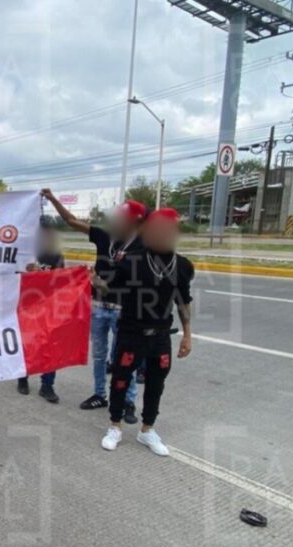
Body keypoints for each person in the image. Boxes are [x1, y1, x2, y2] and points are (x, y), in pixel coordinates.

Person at [100, 208, 194, 456]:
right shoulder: (131, 261)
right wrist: (95, 282)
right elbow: (109, 290)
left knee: (156, 383)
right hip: (132, 333)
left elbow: (182, 300)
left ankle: (147, 430)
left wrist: (187, 333)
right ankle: (115, 426)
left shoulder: (183, 266)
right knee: (121, 379)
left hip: (161, 336)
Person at [44, 188, 143, 423]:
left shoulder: (142, 245)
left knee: (122, 357)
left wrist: (102, 281)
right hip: (99, 306)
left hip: (123, 310)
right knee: (99, 355)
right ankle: (100, 394)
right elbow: (71, 221)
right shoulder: (103, 236)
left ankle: (128, 401)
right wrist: (52, 199)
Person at [16, 215, 65, 402]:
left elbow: (60, 280)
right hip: (27, 305)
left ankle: (47, 385)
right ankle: (23, 378)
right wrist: (28, 272)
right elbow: (13, 279)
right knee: (27, 344)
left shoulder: (55, 254)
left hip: (49, 306)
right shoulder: (23, 253)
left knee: (50, 346)